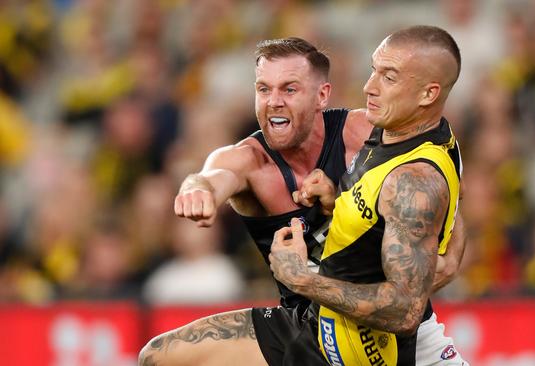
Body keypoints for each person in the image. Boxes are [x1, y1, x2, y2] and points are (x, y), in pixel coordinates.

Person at [140, 30, 467, 365]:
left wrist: (306, 278)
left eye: (289, 89)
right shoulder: (250, 161)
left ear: (321, 96)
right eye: (263, 89)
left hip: (388, 346)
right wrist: (197, 189)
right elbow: (212, 177)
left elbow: (442, 260)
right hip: (309, 328)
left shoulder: (375, 135)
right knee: (158, 358)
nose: (274, 101)